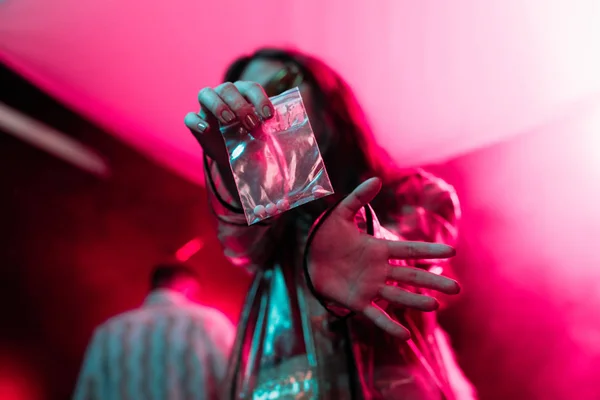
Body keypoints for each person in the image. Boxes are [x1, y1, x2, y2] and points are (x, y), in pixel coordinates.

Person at [185, 48, 476, 399]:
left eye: (283, 84)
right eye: (245, 95)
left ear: (328, 99)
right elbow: (239, 242)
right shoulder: (271, 223)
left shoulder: (417, 193)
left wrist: (372, 252)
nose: (261, 104)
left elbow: (414, 256)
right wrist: (239, 168)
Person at [73, 263, 235, 400]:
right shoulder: (209, 323)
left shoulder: (108, 331)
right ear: (189, 286)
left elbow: (87, 393)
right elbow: (236, 384)